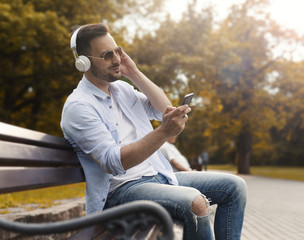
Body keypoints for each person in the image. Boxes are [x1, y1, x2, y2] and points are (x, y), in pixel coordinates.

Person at [61, 23, 247, 240]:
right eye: (107, 55)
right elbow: (114, 163)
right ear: (83, 62)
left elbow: (163, 110)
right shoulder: (79, 107)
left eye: (118, 51)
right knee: (195, 202)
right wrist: (162, 133)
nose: (116, 59)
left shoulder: (121, 89)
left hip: (156, 176)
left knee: (235, 187)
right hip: (121, 192)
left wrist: (135, 73)